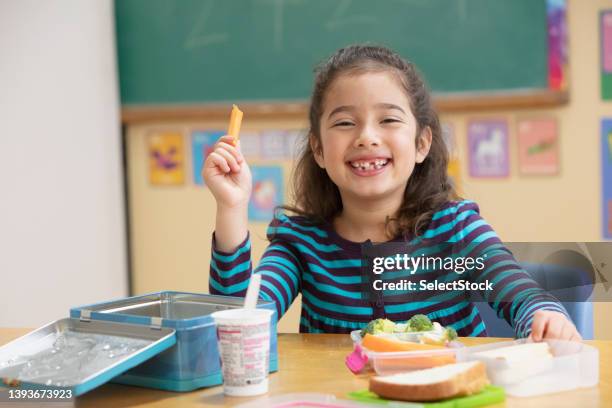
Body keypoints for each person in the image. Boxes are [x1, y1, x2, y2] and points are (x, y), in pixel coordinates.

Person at [203, 44, 581, 341]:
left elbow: (523, 295)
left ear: (421, 143)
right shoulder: (301, 243)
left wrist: (544, 317)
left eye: (388, 120)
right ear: (318, 149)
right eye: (345, 122)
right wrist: (232, 207)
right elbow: (238, 321)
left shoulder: (458, 231)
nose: (367, 136)